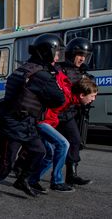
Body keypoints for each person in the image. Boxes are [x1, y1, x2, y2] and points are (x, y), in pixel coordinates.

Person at [0, 33, 65, 197]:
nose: (57, 57)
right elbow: (59, 99)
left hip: (26, 121)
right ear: (46, 52)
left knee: (38, 151)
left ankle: (22, 180)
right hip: (12, 122)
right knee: (7, 161)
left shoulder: (26, 68)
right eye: (56, 52)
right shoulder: (42, 75)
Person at [27, 76, 98, 194]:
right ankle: (57, 182)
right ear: (81, 95)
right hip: (41, 122)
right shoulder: (64, 98)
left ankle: (32, 180)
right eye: (92, 96)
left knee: (50, 154)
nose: (93, 99)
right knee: (63, 144)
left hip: (43, 122)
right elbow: (48, 112)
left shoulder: (70, 97)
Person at [57, 37, 94, 186]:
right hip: (58, 112)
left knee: (75, 141)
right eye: (80, 55)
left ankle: (72, 174)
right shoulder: (61, 69)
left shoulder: (82, 71)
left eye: (85, 56)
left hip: (71, 113)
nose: (82, 59)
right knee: (44, 143)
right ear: (72, 54)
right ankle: (22, 167)